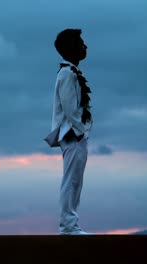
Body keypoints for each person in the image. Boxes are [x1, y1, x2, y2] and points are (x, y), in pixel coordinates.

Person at [48, 28, 93, 235]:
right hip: (72, 134)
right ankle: (68, 226)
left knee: (75, 180)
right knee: (72, 180)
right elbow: (69, 107)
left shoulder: (71, 72)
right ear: (72, 48)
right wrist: (80, 130)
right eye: (81, 43)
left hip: (76, 134)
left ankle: (71, 224)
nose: (85, 46)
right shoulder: (67, 73)